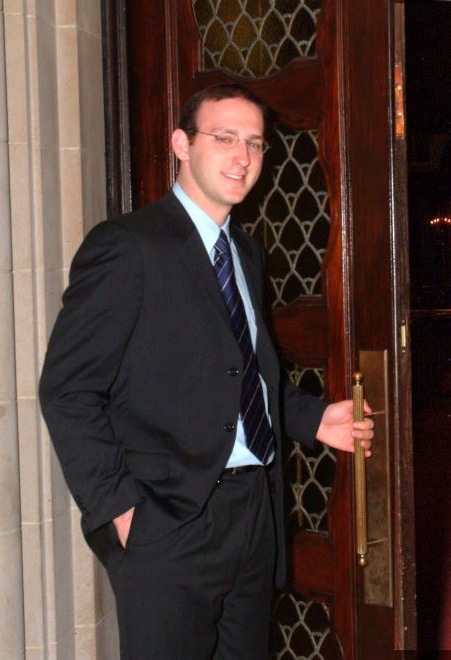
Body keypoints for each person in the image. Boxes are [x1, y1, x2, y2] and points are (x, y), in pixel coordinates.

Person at [39, 84, 374, 659]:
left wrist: (315, 418)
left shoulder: (244, 253)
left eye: (255, 143)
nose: (242, 156)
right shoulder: (128, 246)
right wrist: (121, 510)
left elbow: (240, 373)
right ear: (180, 144)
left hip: (252, 515)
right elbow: (67, 389)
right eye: (224, 138)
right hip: (167, 523)